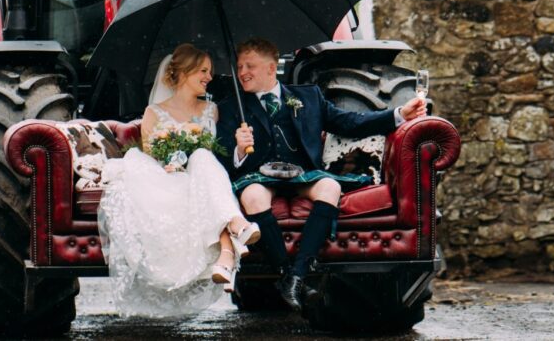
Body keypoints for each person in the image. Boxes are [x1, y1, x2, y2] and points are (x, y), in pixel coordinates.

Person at [216, 38, 427, 311]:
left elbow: (349, 122)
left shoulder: (308, 96)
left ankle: (298, 273)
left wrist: (398, 114)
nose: (242, 71)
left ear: (271, 68)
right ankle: (285, 273)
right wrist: (239, 148)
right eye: (240, 65)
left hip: (302, 173)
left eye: (250, 66)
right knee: (253, 196)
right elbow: (222, 156)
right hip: (258, 175)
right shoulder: (233, 106)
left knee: (329, 187)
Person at [98, 43, 260, 317]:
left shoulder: (212, 110)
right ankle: (231, 236)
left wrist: (240, 146)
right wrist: (171, 165)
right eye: (203, 70)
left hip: (206, 176)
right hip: (170, 180)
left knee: (203, 158)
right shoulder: (153, 113)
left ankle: (226, 251)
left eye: (210, 71)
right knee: (200, 164)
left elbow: (219, 153)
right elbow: (152, 157)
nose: (209, 77)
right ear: (184, 72)